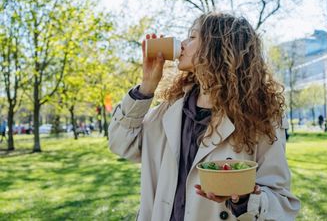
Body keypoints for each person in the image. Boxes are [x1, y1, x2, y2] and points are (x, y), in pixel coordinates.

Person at [109, 12, 300, 221]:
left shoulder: (260, 118)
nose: (181, 44)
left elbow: (281, 202)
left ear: (217, 47)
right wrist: (146, 87)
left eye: (192, 37)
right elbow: (121, 144)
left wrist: (244, 199)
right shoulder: (170, 109)